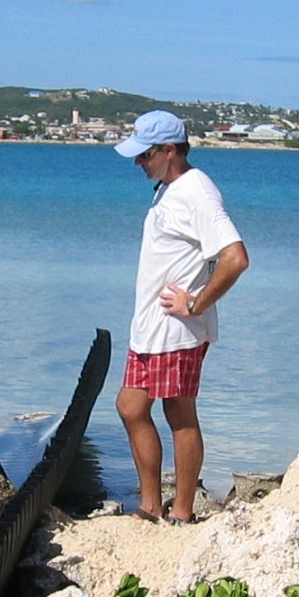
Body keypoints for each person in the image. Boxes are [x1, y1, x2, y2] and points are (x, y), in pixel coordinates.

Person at [113, 110, 250, 523]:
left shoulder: (197, 191)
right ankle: (152, 505)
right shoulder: (167, 188)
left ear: (169, 151)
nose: (139, 163)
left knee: (178, 412)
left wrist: (196, 304)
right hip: (151, 329)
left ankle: (182, 511)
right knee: (131, 407)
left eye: (145, 155)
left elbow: (235, 258)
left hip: (178, 330)